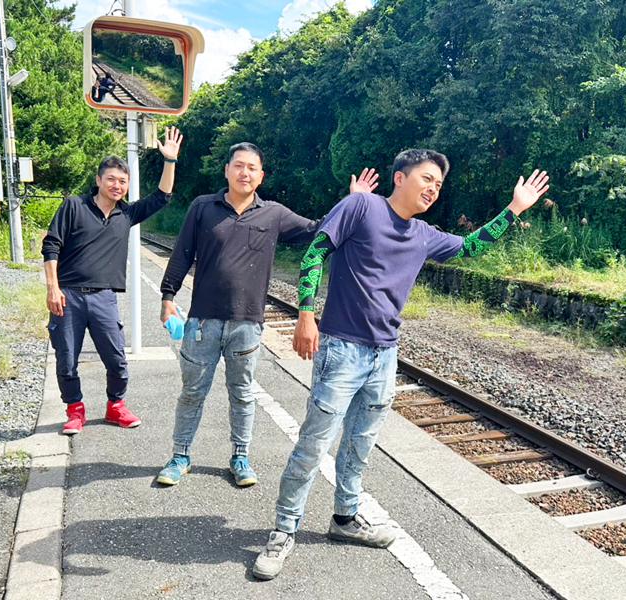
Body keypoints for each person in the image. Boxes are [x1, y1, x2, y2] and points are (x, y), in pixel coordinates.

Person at [252, 149, 549, 580]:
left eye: (438, 185)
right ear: (400, 178)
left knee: (360, 444)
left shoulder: (424, 235)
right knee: (314, 444)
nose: (433, 189)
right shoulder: (361, 206)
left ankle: (345, 519)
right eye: (427, 179)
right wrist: (305, 314)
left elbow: (470, 246)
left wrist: (514, 209)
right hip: (342, 349)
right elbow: (316, 252)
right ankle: (283, 530)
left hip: (385, 355)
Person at [157, 142, 379, 488]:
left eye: (252, 168)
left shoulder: (273, 213)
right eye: (238, 165)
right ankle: (180, 456)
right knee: (192, 393)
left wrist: (352, 202)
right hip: (202, 322)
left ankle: (240, 457)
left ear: (261, 176)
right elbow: (182, 254)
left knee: (242, 394)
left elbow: (317, 228)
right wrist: (168, 296)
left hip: (247, 324)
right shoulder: (203, 207)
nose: (244, 173)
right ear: (227, 170)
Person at [42, 127, 183, 435]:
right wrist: (52, 287)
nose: (117, 185)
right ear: (99, 180)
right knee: (66, 359)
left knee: (116, 359)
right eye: (111, 179)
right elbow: (51, 245)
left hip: (104, 297)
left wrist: (169, 161)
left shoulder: (127, 215)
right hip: (68, 295)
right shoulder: (74, 206)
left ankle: (115, 406)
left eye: (122, 181)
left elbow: (161, 197)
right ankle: (75, 410)